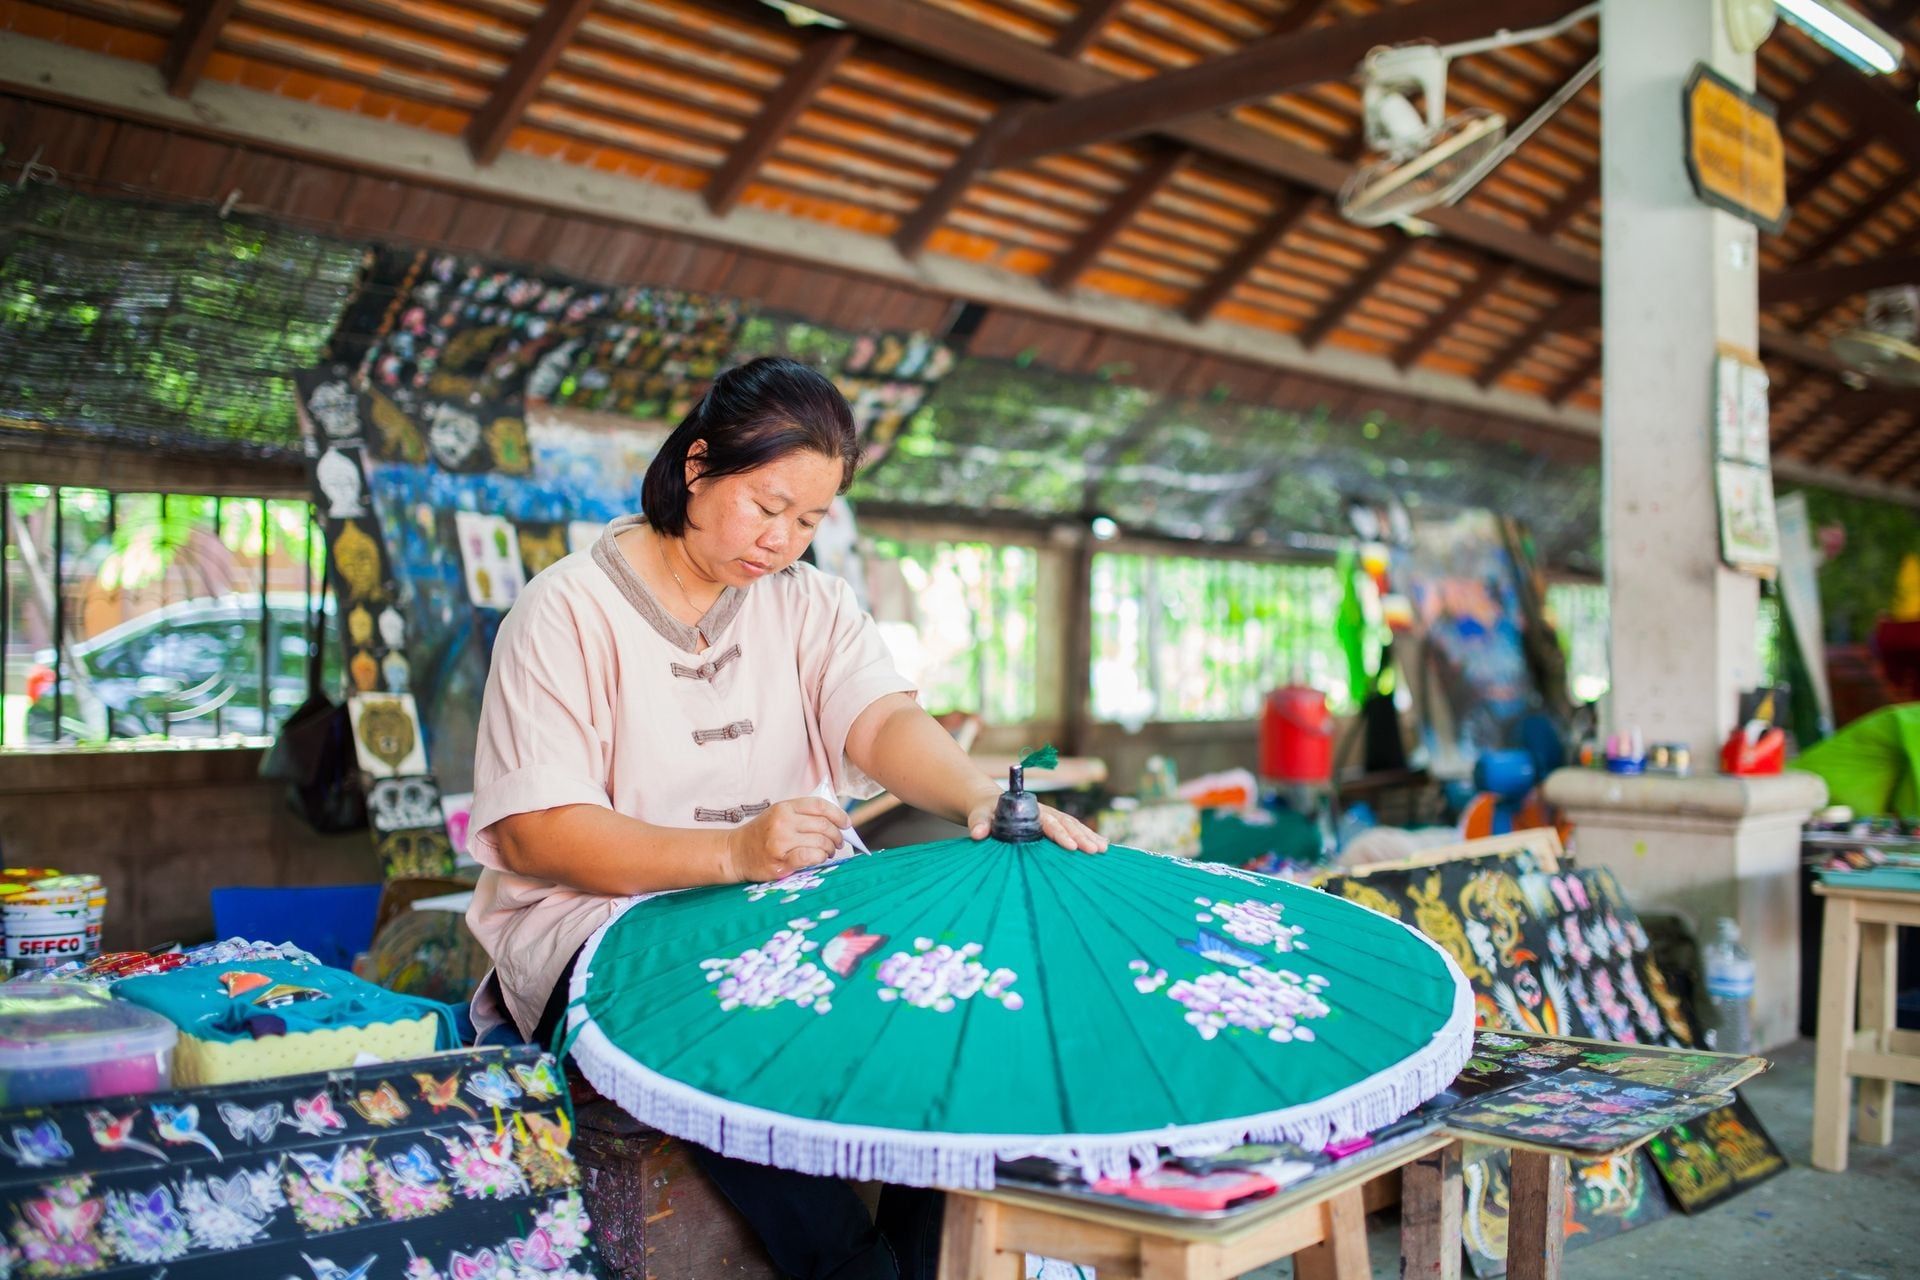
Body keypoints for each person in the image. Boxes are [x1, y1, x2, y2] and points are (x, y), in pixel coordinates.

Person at [464, 356, 1105, 1280]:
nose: (783, 542)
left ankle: (924, 1263)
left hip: (785, 901)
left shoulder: (809, 602)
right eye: (767, 507)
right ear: (696, 467)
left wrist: (973, 793)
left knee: (942, 994)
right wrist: (730, 850)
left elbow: (880, 718)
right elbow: (538, 832)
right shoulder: (567, 610)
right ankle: (855, 1270)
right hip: (603, 925)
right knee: (740, 1013)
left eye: (809, 520)